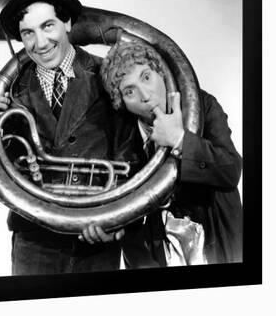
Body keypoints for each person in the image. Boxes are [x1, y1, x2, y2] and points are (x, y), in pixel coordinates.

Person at [0, 0, 127, 276]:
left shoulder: (107, 75)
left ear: (67, 23)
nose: (39, 43)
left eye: (47, 26)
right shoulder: (9, 91)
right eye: (27, 33)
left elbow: (131, 155)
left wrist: (118, 218)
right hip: (33, 239)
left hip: (97, 234)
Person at [100, 40, 243, 267]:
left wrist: (179, 139)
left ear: (161, 73)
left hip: (216, 244)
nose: (145, 95)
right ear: (122, 103)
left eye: (146, 77)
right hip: (159, 254)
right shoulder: (122, 135)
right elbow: (125, 208)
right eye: (129, 91)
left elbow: (230, 170)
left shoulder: (202, 104)